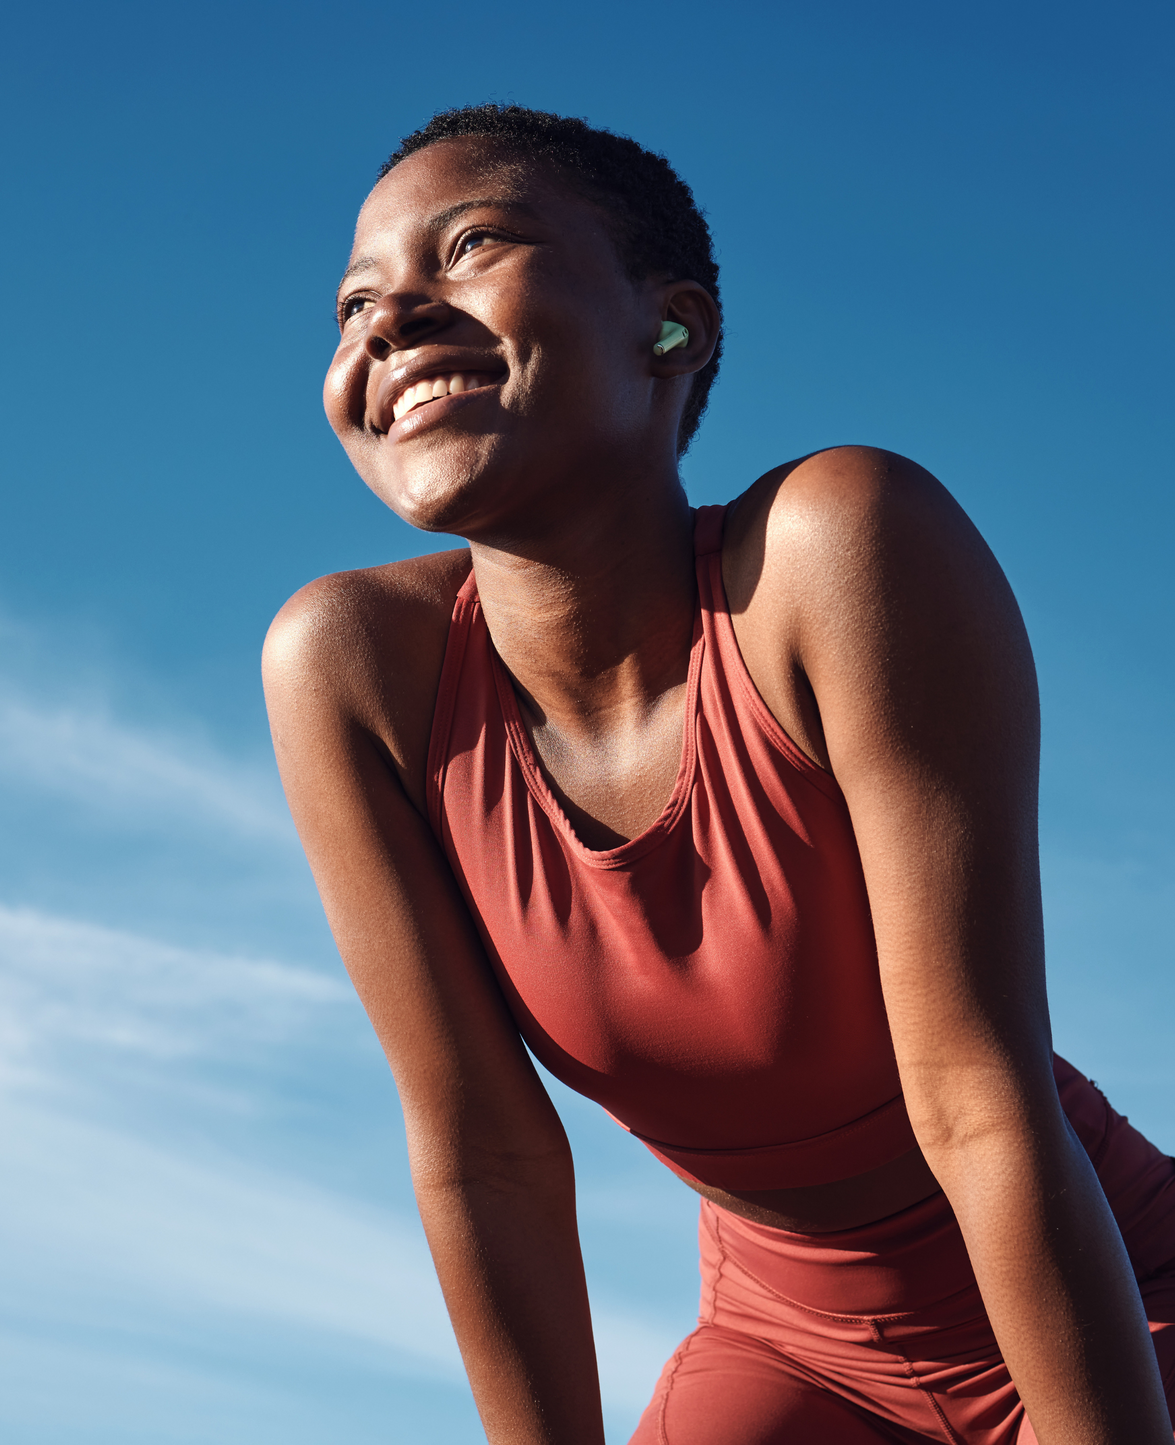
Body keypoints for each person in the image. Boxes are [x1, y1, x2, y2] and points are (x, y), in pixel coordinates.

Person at [261, 104, 1175, 1444]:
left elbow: (976, 1102)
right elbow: (485, 1158)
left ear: (671, 326)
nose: (390, 317)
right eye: (354, 303)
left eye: (468, 249)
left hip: (1109, 1305)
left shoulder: (833, 551)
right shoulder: (350, 669)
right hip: (788, 1351)